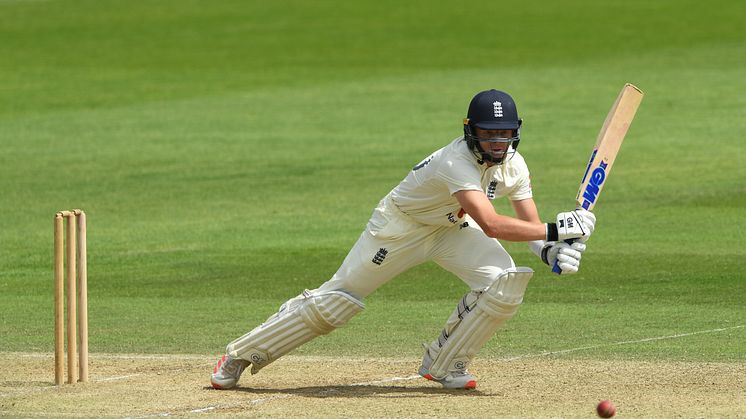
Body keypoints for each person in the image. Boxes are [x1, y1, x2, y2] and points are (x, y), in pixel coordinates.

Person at [211, 89, 595, 390]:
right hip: (400, 229)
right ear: (470, 131)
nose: (498, 142)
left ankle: (444, 363)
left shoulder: (515, 165)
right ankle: (241, 355)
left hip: (450, 231)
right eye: (489, 134)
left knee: (503, 284)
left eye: (505, 134)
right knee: (335, 303)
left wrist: (549, 251)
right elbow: (494, 225)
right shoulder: (454, 161)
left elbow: (529, 226)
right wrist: (558, 231)